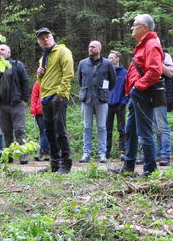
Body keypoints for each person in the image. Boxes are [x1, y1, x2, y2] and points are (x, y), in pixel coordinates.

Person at [112, 14, 164, 177]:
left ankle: (149, 171)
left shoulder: (152, 44)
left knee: (144, 131)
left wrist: (137, 86)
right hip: (136, 94)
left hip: (143, 93)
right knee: (131, 130)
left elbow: (155, 71)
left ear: (145, 28)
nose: (131, 27)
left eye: (135, 24)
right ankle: (129, 165)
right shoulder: (144, 44)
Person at [36, 27, 74, 174]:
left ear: (52, 37)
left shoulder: (62, 51)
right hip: (45, 97)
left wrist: (61, 94)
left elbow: (68, 73)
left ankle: (65, 163)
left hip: (57, 97)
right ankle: (54, 164)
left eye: (47, 36)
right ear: (39, 42)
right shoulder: (43, 57)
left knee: (60, 131)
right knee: (49, 132)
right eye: (42, 38)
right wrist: (39, 74)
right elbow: (41, 82)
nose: (45, 40)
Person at [0, 44, 30, 164]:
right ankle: (8, 156)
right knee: (6, 131)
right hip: (1, 105)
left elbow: (25, 81)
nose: (0, 51)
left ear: (9, 53)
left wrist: (24, 99)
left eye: (2, 49)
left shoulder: (17, 65)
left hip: (16, 104)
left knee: (19, 130)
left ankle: (23, 155)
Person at [77, 41, 116, 163]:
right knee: (87, 127)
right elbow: (80, 80)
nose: (90, 48)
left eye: (93, 47)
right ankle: (86, 153)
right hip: (87, 99)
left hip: (101, 99)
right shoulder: (82, 63)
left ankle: (102, 153)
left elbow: (112, 81)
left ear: (99, 48)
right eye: (89, 46)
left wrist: (103, 91)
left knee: (102, 127)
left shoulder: (107, 64)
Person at [106, 50, 128, 159]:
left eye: (111, 57)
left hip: (120, 105)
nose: (109, 60)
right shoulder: (106, 73)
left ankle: (122, 150)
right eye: (108, 58)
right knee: (107, 129)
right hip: (108, 105)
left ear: (117, 59)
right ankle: (106, 151)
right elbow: (104, 88)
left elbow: (127, 89)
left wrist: (123, 102)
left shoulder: (125, 73)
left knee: (121, 129)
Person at [30, 81, 50, 161]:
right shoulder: (38, 83)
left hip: (49, 110)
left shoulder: (52, 81)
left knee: (46, 131)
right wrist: (33, 109)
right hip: (39, 111)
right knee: (43, 132)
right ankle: (46, 152)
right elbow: (34, 96)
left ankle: (43, 151)